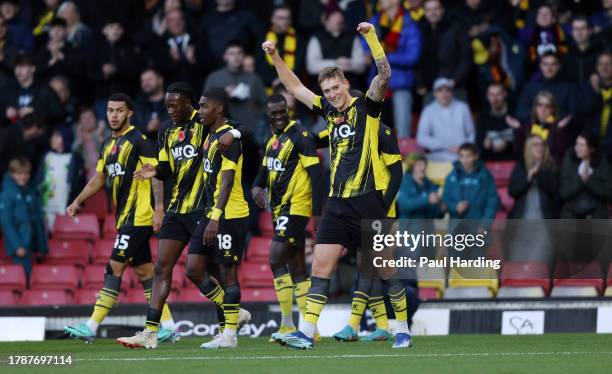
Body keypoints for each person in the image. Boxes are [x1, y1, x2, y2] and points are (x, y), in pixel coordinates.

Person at [263, 21, 413, 349]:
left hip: (368, 202)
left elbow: (384, 75)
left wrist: (371, 37)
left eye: (335, 87)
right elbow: (297, 88)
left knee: (385, 270)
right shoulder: (329, 113)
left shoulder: (368, 108)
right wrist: (275, 57)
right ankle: (305, 333)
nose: (332, 94)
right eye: (327, 90)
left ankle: (401, 329)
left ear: (346, 83)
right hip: (337, 204)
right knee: (320, 267)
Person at [116, 82, 250, 350]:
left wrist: (233, 133)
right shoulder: (166, 130)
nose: (170, 110)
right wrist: (155, 170)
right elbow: (167, 167)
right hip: (177, 209)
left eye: (175, 105)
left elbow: (244, 130)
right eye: (167, 106)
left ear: (189, 103)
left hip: (203, 208)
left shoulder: (203, 122)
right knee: (161, 267)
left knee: (208, 270)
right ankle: (151, 332)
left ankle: (228, 326)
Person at [62, 93, 178, 344]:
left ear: (129, 113)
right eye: (110, 110)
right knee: (146, 272)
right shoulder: (108, 145)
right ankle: (169, 326)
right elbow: (99, 178)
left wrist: (159, 209)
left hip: (140, 217)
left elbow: (155, 174)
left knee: (113, 267)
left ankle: (91, 326)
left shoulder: (140, 140)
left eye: (119, 110)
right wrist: (78, 200)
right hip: (125, 217)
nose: (114, 115)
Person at [251, 94, 322, 343]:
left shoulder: (300, 136)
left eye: (283, 111)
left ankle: (287, 324)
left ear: (289, 110)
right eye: (275, 113)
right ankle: (311, 330)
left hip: (296, 208)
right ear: (268, 115)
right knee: (298, 268)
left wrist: (317, 215)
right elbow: (261, 176)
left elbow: (317, 176)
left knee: (275, 258)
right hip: (279, 210)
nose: (279, 116)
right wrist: (255, 189)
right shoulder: (272, 141)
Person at [190, 88, 250, 349]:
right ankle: (237, 314)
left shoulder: (229, 140)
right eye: (199, 106)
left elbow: (226, 183)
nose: (199, 111)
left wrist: (215, 218)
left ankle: (229, 336)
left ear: (219, 109)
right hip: (209, 212)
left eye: (204, 106)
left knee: (227, 273)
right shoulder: (211, 135)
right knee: (193, 269)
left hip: (228, 214)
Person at [366, 0, 421, 138]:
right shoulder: (375, 20)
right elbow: (365, 44)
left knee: (403, 130)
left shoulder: (408, 24)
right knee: (375, 130)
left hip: (400, 84)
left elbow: (413, 56)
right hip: (377, 82)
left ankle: (405, 158)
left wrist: (383, 58)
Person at [505, 135, 558, 262]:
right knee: (518, 265)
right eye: (535, 145)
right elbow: (512, 191)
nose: (540, 148)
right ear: (528, 148)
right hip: (521, 225)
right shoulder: (520, 167)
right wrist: (528, 179)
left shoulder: (550, 167)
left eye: (542, 145)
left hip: (543, 225)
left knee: (539, 265)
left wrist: (538, 174)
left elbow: (555, 189)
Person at [0, 157, 47, 283]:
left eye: (26, 173)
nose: (23, 177)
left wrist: (42, 246)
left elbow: (38, 219)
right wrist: (17, 246)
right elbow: (6, 223)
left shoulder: (31, 191)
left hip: (34, 244)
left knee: (37, 279)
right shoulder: (7, 194)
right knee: (24, 278)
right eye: (19, 173)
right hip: (20, 246)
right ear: (12, 174)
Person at [204, 42, 268, 131]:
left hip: (250, 133)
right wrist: (223, 93)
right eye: (232, 53)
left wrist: (257, 121)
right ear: (225, 56)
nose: (236, 57)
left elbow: (265, 105)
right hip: (222, 132)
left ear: (243, 56)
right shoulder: (214, 78)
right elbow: (205, 106)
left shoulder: (254, 78)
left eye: (239, 53)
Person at [415, 0, 472, 100]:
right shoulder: (420, 30)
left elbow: (466, 58)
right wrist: (419, 83)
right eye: (429, 10)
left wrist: (454, 80)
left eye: (436, 9)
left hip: (454, 86)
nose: (433, 13)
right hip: (429, 88)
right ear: (424, 12)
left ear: (442, 10)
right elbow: (417, 59)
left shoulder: (455, 28)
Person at [416, 77, 475, 162]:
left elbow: (472, 134)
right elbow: (421, 138)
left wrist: (463, 148)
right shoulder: (428, 111)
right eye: (440, 90)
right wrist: (445, 146)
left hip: (462, 156)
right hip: (437, 156)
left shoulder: (463, 108)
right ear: (434, 93)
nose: (444, 93)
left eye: (448, 90)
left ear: (452, 92)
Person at [305, 10, 367, 90]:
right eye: (334, 18)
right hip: (323, 88)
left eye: (340, 19)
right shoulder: (316, 38)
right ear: (326, 21)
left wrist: (348, 63)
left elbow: (361, 66)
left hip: (350, 88)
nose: (338, 20)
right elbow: (311, 67)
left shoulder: (352, 37)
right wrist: (336, 64)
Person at [36, 129, 85, 228]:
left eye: (58, 136)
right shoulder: (46, 156)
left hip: (65, 201)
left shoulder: (74, 157)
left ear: (66, 138)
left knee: (63, 229)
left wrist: (77, 201)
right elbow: (39, 179)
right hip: (47, 202)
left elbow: (79, 182)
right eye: (53, 136)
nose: (53, 139)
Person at [560, 132, 612, 219]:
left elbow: (608, 193)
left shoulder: (603, 165)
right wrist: (581, 180)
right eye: (576, 144)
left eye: (582, 145)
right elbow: (564, 193)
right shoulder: (570, 163)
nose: (577, 148)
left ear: (592, 148)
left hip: (596, 216)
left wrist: (589, 181)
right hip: (572, 216)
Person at [511, 91, 570, 166]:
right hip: (529, 166)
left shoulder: (558, 126)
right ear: (535, 107)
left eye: (547, 106)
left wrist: (559, 131)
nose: (543, 109)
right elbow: (518, 152)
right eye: (540, 105)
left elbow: (560, 152)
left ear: (552, 109)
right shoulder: (527, 126)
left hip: (550, 168)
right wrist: (518, 130)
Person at [442, 143, 498, 220]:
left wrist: (484, 224)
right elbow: (445, 200)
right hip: (457, 225)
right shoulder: (451, 177)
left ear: (475, 156)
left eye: (468, 156)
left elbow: (492, 201)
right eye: (462, 156)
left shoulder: (485, 176)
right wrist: (455, 207)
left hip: (478, 224)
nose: (465, 160)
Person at [515, 52, 576, 124]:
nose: (549, 68)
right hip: (534, 130)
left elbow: (573, 114)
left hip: (560, 130)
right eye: (545, 64)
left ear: (559, 66)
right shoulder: (530, 87)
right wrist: (540, 116)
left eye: (553, 64)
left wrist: (551, 119)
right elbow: (520, 113)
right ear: (540, 66)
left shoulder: (569, 88)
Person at [256, 5, 304, 90]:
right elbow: (260, 63)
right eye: (281, 18)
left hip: (292, 84)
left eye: (287, 18)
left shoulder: (299, 38)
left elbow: (300, 64)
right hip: (269, 85)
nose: (285, 21)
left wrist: (283, 80)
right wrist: (273, 80)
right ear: (272, 19)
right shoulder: (263, 37)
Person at [476, 83, 518, 161]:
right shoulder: (482, 116)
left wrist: (507, 145)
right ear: (487, 96)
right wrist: (484, 145)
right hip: (489, 161)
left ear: (505, 94)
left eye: (498, 94)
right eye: (491, 95)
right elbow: (478, 143)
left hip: (512, 160)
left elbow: (524, 141)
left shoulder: (515, 112)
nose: (495, 98)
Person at [397, 153, 444, 219]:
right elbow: (404, 205)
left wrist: (441, 208)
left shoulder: (430, 184)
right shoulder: (405, 182)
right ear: (412, 167)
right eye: (419, 165)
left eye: (424, 164)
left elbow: (434, 214)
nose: (423, 167)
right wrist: (426, 199)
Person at [134, 68, 169, 141]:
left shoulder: (172, 102)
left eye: (149, 79)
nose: (145, 83)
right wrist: (147, 129)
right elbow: (132, 130)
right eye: (143, 81)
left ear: (160, 80)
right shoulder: (138, 105)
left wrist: (161, 125)